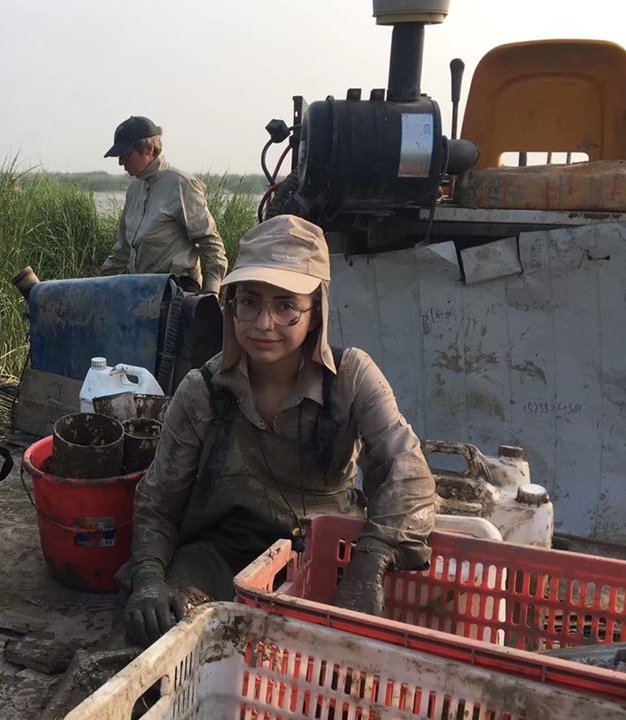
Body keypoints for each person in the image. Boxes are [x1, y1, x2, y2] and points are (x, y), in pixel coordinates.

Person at [118, 214, 437, 645]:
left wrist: (370, 562)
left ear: (316, 312)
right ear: (231, 305)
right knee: (161, 638)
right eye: (249, 302)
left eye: (286, 306)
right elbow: (159, 502)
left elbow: (409, 475)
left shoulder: (352, 377)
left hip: (322, 556)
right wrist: (148, 577)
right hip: (220, 554)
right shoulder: (202, 391)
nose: (263, 323)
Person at [99, 116, 228, 294]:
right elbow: (123, 250)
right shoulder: (134, 190)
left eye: (126, 155)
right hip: (141, 289)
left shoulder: (181, 184)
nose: (121, 162)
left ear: (149, 149)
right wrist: (97, 285)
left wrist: (211, 293)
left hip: (178, 289)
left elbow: (211, 244)